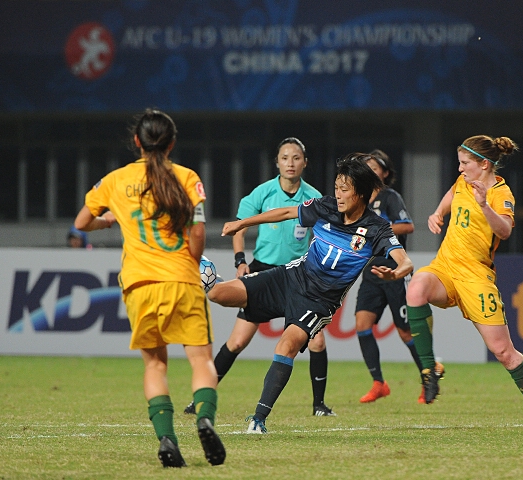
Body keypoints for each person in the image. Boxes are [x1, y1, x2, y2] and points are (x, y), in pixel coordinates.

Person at [207, 153, 414, 434]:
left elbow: (406, 261)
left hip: (319, 302)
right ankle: (202, 271)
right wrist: (243, 223)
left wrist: (397, 272)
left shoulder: (377, 228)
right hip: (290, 277)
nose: (338, 195)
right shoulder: (325, 206)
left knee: (286, 345)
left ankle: (258, 419)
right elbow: (285, 212)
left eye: (345, 190)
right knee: (217, 294)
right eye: (337, 188)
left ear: (361, 193)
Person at [73, 109, 226, 467]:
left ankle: (167, 439)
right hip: (183, 279)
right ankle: (205, 419)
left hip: (140, 284)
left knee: (155, 365)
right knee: (201, 359)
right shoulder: (187, 177)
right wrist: (192, 254)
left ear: (137, 141)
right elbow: (198, 234)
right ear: (172, 143)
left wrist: (109, 220)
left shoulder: (114, 180)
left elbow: (81, 222)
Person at [405, 135, 523, 436]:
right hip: (446, 267)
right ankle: (429, 370)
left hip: (476, 276)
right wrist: (438, 213)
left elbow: (503, 230)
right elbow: (452, 192)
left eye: (465, 163)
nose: (460, 169)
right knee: (416, 288)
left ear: (484, 164)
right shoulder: (464, 181)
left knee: (505, 353)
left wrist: (483, 206)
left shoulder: (501, 194)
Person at [184, 137, 335, 417]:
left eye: (296, 158)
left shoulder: (314, 197)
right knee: (238, 341)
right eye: (285, 158)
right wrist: (240, 261)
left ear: (305, 163)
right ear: (277, 163)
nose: (290, 163)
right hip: (264, 272)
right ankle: (201, 398)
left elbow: (324, 237)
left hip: (299, 278)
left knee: (317, 341)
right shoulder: (263, 192)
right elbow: (240, 227)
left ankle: (319, 406)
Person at [355, 149, 433, 404]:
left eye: (375, 168)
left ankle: (428, 379)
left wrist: (378, 228)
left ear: (385, 173)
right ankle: (379, 383)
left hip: (395, 270)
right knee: (362, 325)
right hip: (371, 271)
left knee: (405, 333)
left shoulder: (390, 197)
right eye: (366, 168)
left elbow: (407, 225)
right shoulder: (361, 200)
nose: (370, 172)